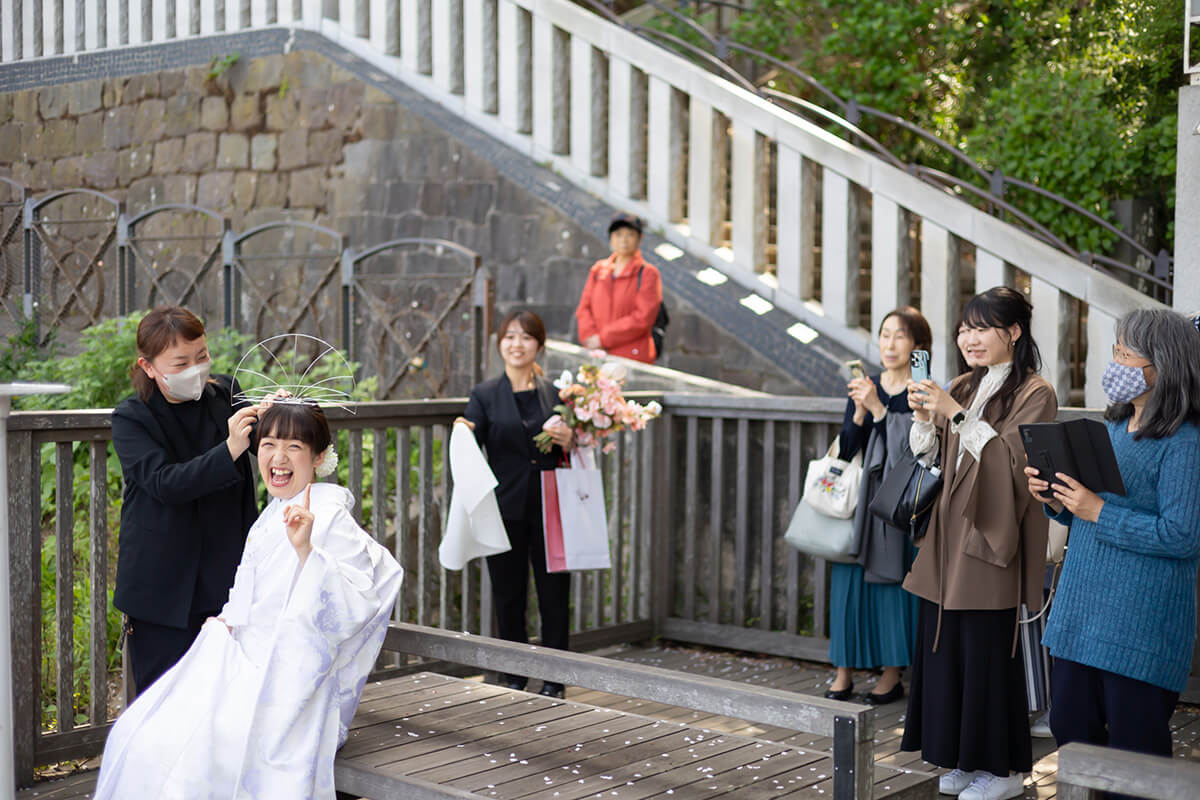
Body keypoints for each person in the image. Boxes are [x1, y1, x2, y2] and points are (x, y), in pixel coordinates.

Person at [96, 401, 404, 799]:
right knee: (139, 732)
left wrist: (309, 552)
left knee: (189, 750)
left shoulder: (327, 518)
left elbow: (355, 602)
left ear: (320, 456)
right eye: (268, 443)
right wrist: (228, 621)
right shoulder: (274, 511)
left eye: (294, 446)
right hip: (246, 657)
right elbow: (252, 596)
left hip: (287, 678)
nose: (278, 458)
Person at [899, 286, 1057, 800]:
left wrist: (955, 411)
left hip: (992, 532)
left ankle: (1007, 771)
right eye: (964, 329)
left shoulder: (1036, 392)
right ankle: (964, 759)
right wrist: (925, 416)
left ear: (1013, 332)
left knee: (987, 649)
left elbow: (1012, 464)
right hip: (948, 532)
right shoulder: (963, 384)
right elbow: (933, 459)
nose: (969, 338)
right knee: (948, 647)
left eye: (982, 327)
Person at [1026, 309, 1200, 768]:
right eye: (1116, 351)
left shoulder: (1186, 442)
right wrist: (1057, 497)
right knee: (1070, 729)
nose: (1117, 362)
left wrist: (1098, 511)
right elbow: (1084, 507)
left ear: (1164, 364)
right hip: (1081, 612)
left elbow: (1183, 535)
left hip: (1140, 625)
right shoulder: (1111, 428)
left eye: (1127, 353)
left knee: (1134, 755)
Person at [111, 306, 261, 694]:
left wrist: (280, 416)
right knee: (163, 700)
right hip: (162, 586)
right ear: (148, 366)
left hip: (227, 577)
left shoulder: (225, 393)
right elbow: (164, 483)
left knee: (226, 698)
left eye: (202, 357)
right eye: (180, 362)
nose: (196, 369)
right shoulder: (132, 417)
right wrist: (229, 448)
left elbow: (268, 446)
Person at [456, 310, 575, 697]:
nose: (517, 344)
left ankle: (556, 678)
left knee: (554, 593)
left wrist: (569, 439)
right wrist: (463, 428)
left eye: (525, 337)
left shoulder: (556, 393)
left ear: (539, 345)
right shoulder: (485, 394)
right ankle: (515, 674)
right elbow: (471, 432)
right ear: (500, 344)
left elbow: (573, 449)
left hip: (551, 507)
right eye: (509, 337)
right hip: (504, 508)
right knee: (509, 595)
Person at [825, 307, 930, 705]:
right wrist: (859, 410)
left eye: (900, 336)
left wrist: (881, 409)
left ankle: (891, 673)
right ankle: (843, 670)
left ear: (919, 346)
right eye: (885, 335)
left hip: (898, 499)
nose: (889, 344)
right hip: (860, 497)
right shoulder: (866, 383)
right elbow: (848, 446)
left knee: (891, 582)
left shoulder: (921, 388)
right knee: (848, 582)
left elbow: (913, 447)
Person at [575, 212, 662, 363]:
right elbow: (584, 308)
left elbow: (642, 318)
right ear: (611, 238)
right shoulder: (598, 270)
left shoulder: (647, 273)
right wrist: (590, 338)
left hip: (630, 356)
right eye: (618, 234)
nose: (624, 240)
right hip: (596, 352)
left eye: (630, 235)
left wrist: (603, 338)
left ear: (639, 238)